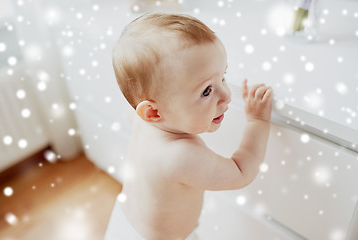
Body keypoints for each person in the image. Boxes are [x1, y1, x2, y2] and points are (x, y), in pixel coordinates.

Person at [106, 12, 273, 240]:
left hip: (123, 225)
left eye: (223, 76)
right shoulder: (181, 155)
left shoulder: (141, 118)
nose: (227, 96)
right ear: (154, 112)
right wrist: (257, 121)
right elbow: (241, 172)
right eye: (206, 90)